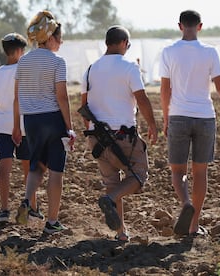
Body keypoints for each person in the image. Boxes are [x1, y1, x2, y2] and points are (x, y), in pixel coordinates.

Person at [159, 10, 220, 236]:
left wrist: (166, 118)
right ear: (200, 26)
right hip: (205, 116)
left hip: (178, 115)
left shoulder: (168, 52)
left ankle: (185, 202)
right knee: (200, 172)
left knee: (178, 171)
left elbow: (165, 89)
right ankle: (194, 224)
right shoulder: (210, 52)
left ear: (180, 26)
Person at [81, 26, 158, 242]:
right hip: (123, 136)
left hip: (97, 138)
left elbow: (83, 104)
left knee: (112, 182)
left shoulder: (90, 69)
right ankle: (110, 199)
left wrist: (89, 134)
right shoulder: (129, 67)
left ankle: (121, 233)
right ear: (124, 42)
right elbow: (141, 99)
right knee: (138, 176)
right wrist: (152, 124)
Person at [13, 10, 76, 234]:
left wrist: (16, 125)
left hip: (31, 121)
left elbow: (17, 96)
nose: (61, 42)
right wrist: (69, 126)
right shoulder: (57, 62)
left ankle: (27, 202)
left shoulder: (23, 62)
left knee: (36, 167)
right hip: (52, 118)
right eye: (59, 38)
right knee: (56, 172)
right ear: (50, 38)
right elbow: (62, 96)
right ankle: (52, 222)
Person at [0, 32, 42, 223]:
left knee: (4, 168)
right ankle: (32, 207)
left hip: (2, 126)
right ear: (19, 51)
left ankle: (3, 210)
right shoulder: (26, 71)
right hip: (25, 125)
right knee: (29, 168)